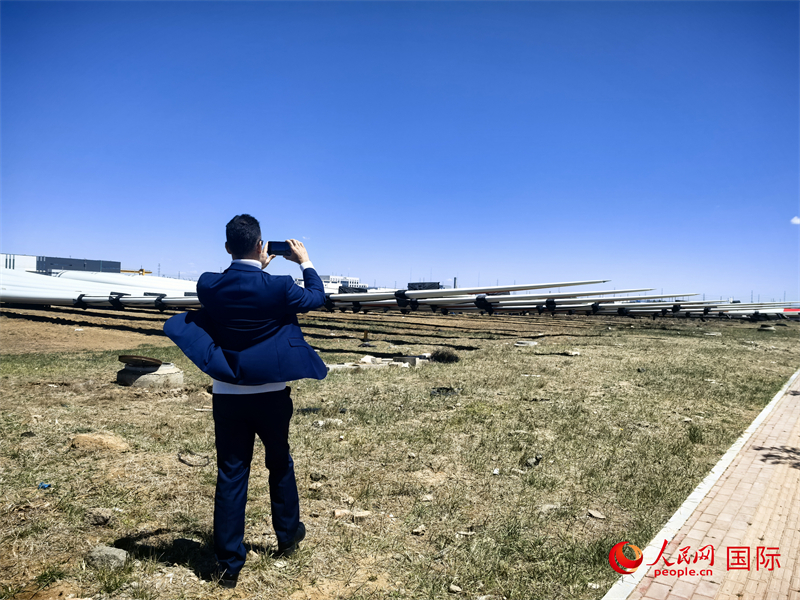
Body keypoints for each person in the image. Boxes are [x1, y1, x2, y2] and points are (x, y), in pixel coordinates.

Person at [164, 214, 327, 589]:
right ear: (260, 246)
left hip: (228, 396)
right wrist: (305, 261)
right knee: (279, 463)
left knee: (232, 473)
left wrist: (254, 266)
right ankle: (287, 537)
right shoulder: (280, 287)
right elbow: (316, 298)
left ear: (227, 248)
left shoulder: (208, 285)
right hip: (271, 395)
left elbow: (236, 287)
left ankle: (227, 566)